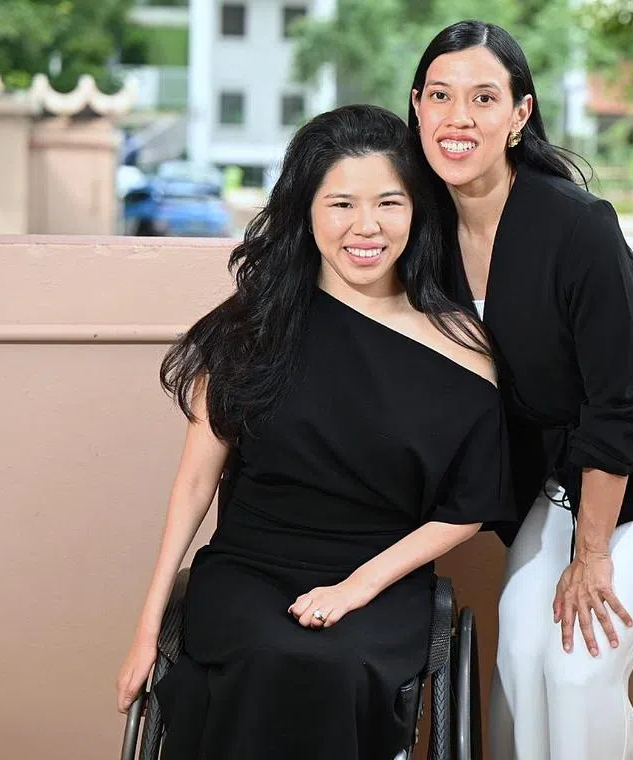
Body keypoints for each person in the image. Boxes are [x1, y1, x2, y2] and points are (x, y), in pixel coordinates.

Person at [114, 104, 514, 760]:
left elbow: (469, 507)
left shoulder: (461, 346)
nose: (366, 226)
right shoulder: (254, 329)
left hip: (379, 581)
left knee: (338, 664)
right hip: (249, 572)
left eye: (389, 202)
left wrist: (357, 587)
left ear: (418, 211)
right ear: (306, 211)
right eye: (341, 204)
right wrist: (146, 624)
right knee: (269, 655)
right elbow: (193, 485)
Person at [409, 20, 633, 760]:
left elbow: (620, 394)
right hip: (558, 480)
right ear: (418, 107)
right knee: (522, 655)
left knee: (579, 670)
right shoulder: (423, 229)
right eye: (441, 96)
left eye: (484, 98)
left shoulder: (576, 226)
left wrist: (591, 554)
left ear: (519, 115)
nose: (460, 117)